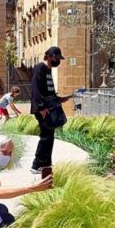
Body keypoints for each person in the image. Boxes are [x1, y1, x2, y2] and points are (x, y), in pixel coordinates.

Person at [30, 46, 73, 174]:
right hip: (43, 110)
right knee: (45, 136)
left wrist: (59, 99)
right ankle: (36, 165)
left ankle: (45, 163)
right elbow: (36, 90)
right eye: (56, 58)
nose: (57, 61)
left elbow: (48, 91)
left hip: (48, 108)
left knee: (49, 136)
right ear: (49, 56)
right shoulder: (40, 68)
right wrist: (41, 108)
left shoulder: (48, 70)